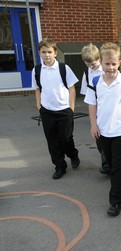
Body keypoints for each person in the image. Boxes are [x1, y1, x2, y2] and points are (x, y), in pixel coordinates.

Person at [84, 42, 121, 217]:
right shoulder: (95, 82)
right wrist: (93, 125)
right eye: (107, 63)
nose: (110, 67)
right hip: (103, 131)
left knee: (116, 166)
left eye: (114, 64)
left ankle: (115, 201)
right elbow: (92, 105)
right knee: (111, 163)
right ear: (101, 62)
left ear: (119, 62)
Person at [32, 38, 80, 180]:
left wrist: (71, 108)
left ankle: (72, 154)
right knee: (52, 140)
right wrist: (39, 105)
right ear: (40, 53)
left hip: (64, 110)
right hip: (47, 110)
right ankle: (60, 166)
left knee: (65, 138)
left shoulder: (64, 68)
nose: (46, 55)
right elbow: (37, 89)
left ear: (55, 53)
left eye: (49, 52)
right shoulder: (37, 70)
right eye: (43, 52)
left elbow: (71, 88)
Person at [80, 43, 109, 174]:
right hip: (96, 110)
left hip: (108, 108)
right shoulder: (87, 73)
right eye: (88, 63)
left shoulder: (106, 69)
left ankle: (108, 162)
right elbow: (87, 95)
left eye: (94, 62)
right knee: (98, 138)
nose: (92, 65)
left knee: (109, 137)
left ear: (99, 58)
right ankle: (106, 161)